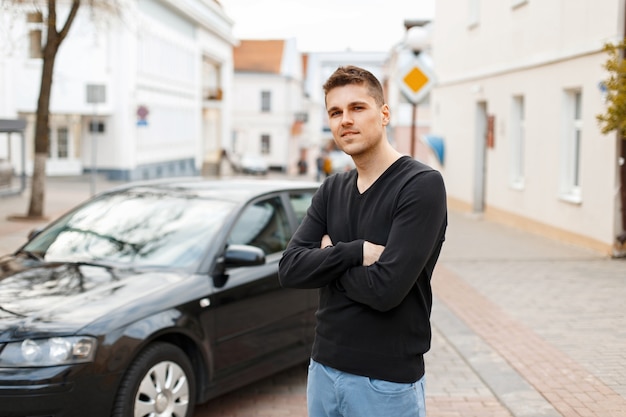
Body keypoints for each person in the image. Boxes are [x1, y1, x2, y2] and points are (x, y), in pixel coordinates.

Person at [278, 65, 447, 417]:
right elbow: (290, 269)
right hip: (323, 369)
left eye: (357, 108)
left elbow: (386, 290)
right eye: (335, 112)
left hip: (385, 382)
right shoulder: (331, 189)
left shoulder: (420, 185)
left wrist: (326, 258)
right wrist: (355, 252)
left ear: (384, 114)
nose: (345, 120)